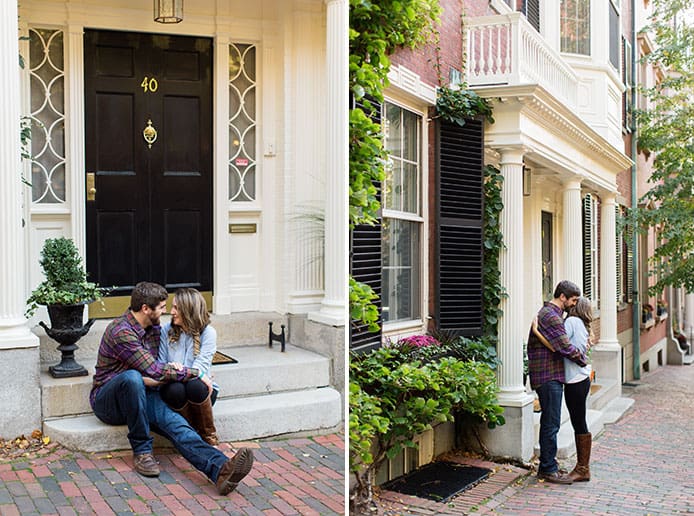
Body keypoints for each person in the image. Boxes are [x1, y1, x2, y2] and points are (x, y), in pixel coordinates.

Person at [89, 281, 253, 494]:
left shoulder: (154, 328)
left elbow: (155, 371)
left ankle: (220, 469)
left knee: (177, 425)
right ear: (146, 309)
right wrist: (196, 373)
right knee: (131, 379)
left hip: (143, 393)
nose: (166, 311)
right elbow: (155, 370)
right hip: (108, 401)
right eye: (162, 306)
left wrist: (155, 377)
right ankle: (142, 451)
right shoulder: (122, 331)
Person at [527, 280, 588, 485]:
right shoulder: (551, 317)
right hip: (547, 375)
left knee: (551, 421)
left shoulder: (551, 315)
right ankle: (547, 469)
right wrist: (582, 360)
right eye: (573, 300)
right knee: (551, 422)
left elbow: (557, 345)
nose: (574, 304)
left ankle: (549, 465)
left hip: (550, 375)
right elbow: (564, 347)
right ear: (562, 297)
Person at [158, 288, 219, 445]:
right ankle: (189, 435)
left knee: (195, 386)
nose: (171, 312)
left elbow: (199, 368)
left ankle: (208, 436)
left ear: (188, 310)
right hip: (175, 389)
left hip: (199, 392)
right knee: (175, 389)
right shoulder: (167, 330)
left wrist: (180, 370)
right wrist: (170, 368)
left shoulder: (208, 333)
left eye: (176, 308)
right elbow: (161, 364)